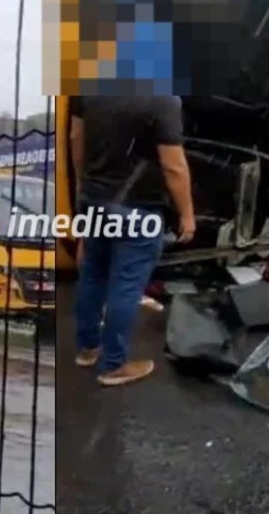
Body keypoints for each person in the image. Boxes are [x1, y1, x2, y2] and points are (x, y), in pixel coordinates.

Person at [70, 95, 195, 386]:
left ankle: (87, 349)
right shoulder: (162, 99)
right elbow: (173, 165)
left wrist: (83, 184)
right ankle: (114, 365)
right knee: (126, 285)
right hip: (136, 208)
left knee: (92, 274)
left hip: (93, 199)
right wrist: (187, 214)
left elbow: (77, 136)